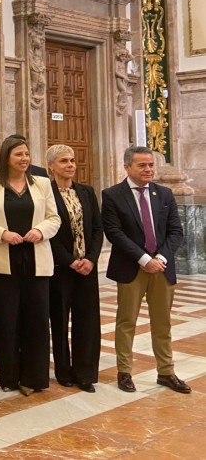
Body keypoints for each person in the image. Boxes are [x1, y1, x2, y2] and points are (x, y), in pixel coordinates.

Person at [0, 135, 60, 396]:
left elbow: (54, 218)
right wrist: (2, 234)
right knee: (5, 321)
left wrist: (39, 231)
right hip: (2, 261)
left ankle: (34, 377)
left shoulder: (42, 183)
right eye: (18, 154)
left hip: (36, 260)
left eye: (26, 154)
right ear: (6, 157)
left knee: (35, 321)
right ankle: (10, 377)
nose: (24, 159)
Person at [103, 146, 189, 394]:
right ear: (127, 167)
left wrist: (160, 257)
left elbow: (175, 231)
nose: (149, 169)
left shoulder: (164, 194)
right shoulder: (112, 195)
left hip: (162, 268)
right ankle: (124, 371)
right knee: (126, 321)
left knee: (162, 324)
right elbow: (114, 233)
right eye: (142, 165)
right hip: (131, 267)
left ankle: (166, 372)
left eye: (151, 165)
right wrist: (143, 259)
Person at [45, 144, 103, 393]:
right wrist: (69, 260)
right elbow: (49, 234)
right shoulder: (45, 193)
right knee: (59, 320)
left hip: (86, 267)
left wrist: (90, 258)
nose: (70, 165)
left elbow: (97, 229)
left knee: (87, 321)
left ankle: (86, 372)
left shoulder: (86, 192)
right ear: (51, 166)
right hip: (60, 268)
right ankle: (64, 371)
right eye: (63, 161)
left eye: (71, 160)